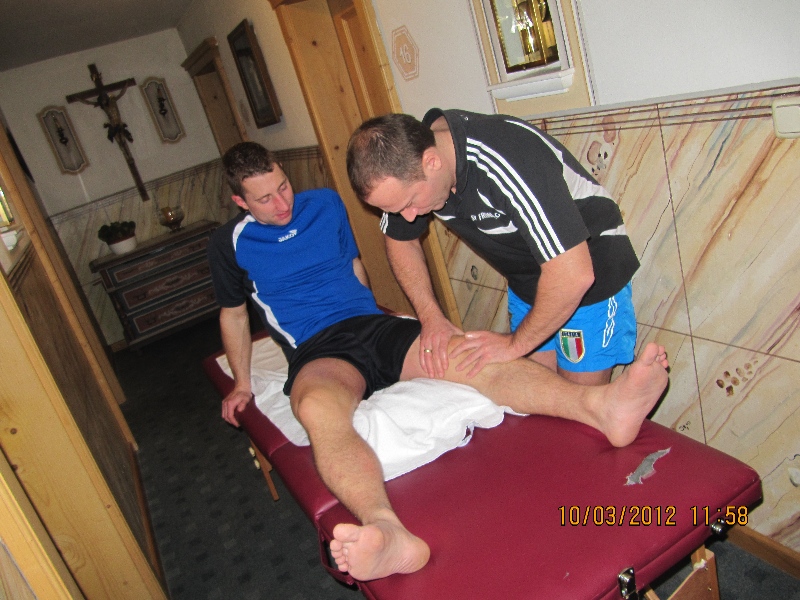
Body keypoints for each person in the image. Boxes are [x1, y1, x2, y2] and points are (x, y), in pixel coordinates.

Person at [208, 141, 669, 582]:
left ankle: (601, 406)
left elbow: (353, 267)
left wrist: (380, 314)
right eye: (265, 199)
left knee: (468, 353)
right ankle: (387, 530)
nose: (282, 203)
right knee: (315, 408)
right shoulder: (230, 243)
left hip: (374, 325)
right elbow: (234, 314)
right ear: (240, 202)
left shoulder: (326, 204)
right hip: (319, 348)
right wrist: (242, 384)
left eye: (284, 186)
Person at [347, 110, 641, 386]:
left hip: (587, 274)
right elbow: (400, 240)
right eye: (397, 210)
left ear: (432, 162)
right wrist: (431, 317)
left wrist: (513, 344)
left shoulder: (505, 158)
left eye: (410, 203)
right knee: (536, 396)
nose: (409, 217)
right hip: (530, 279)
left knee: (581, 405)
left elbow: (573, 276)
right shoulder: (409, 164)